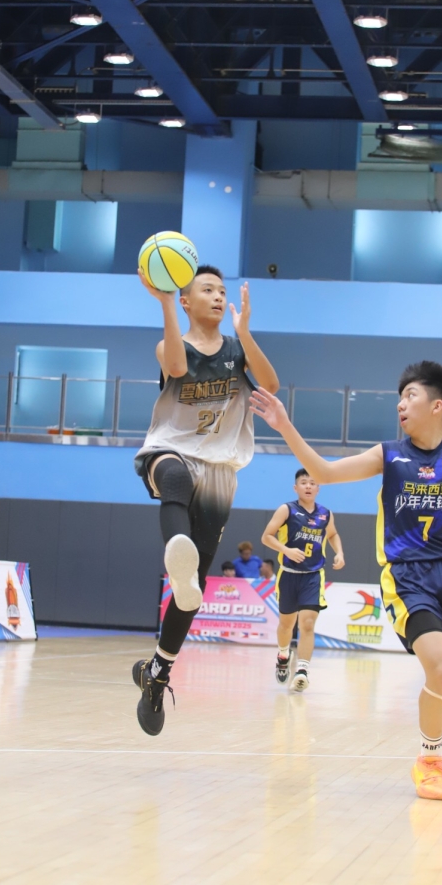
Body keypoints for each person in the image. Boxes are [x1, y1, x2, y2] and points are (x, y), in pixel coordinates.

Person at [251, 361, 442, 799]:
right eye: (399, 397)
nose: (400, 404)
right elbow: (326, 472)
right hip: (408, 578)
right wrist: (284, 426)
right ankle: (429, 760)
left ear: (437, 405)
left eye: (410, 395)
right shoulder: (388, 455)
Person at [133, 265, 279, 735]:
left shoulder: (237, 351)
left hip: (219, 467)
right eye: (207, 290)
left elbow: (271, 385)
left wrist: (246, 331)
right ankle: (178, 556)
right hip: (170, 450)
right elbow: (177, 368)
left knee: (190, 591)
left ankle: (157, 673)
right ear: (186, 301)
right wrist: (162, 302)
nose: (217, 296)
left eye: (221, 290)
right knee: (173, 477)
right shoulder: (170, 345)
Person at [262, 468, 345, 692]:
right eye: (304, 482)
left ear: (318, 488)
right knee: (286, 624)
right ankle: (283, 655)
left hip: (313, 575)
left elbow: (333, 534)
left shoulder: (325, 514)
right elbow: (266, 536)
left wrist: (339, 552)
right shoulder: (286, 510)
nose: (308, 486)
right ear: (295, 487)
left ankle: (302, 671)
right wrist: (286, 550)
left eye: (312, 483)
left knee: (307, 623)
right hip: (289, 574)